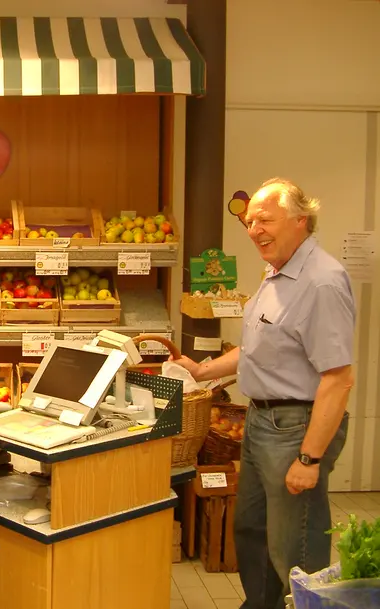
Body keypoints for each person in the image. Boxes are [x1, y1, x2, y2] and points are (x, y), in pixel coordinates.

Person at [171, 178, 354, 609]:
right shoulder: (276, 273)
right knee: (252, 530)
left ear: (300, 221)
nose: (254, 230)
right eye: (250, 222)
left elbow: (338, 378)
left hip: (295, 427)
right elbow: (258, 347)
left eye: (265, 220)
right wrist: (203, 371)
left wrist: (308, 458)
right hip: (261, 422)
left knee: (295, 544)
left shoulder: (322, 282)